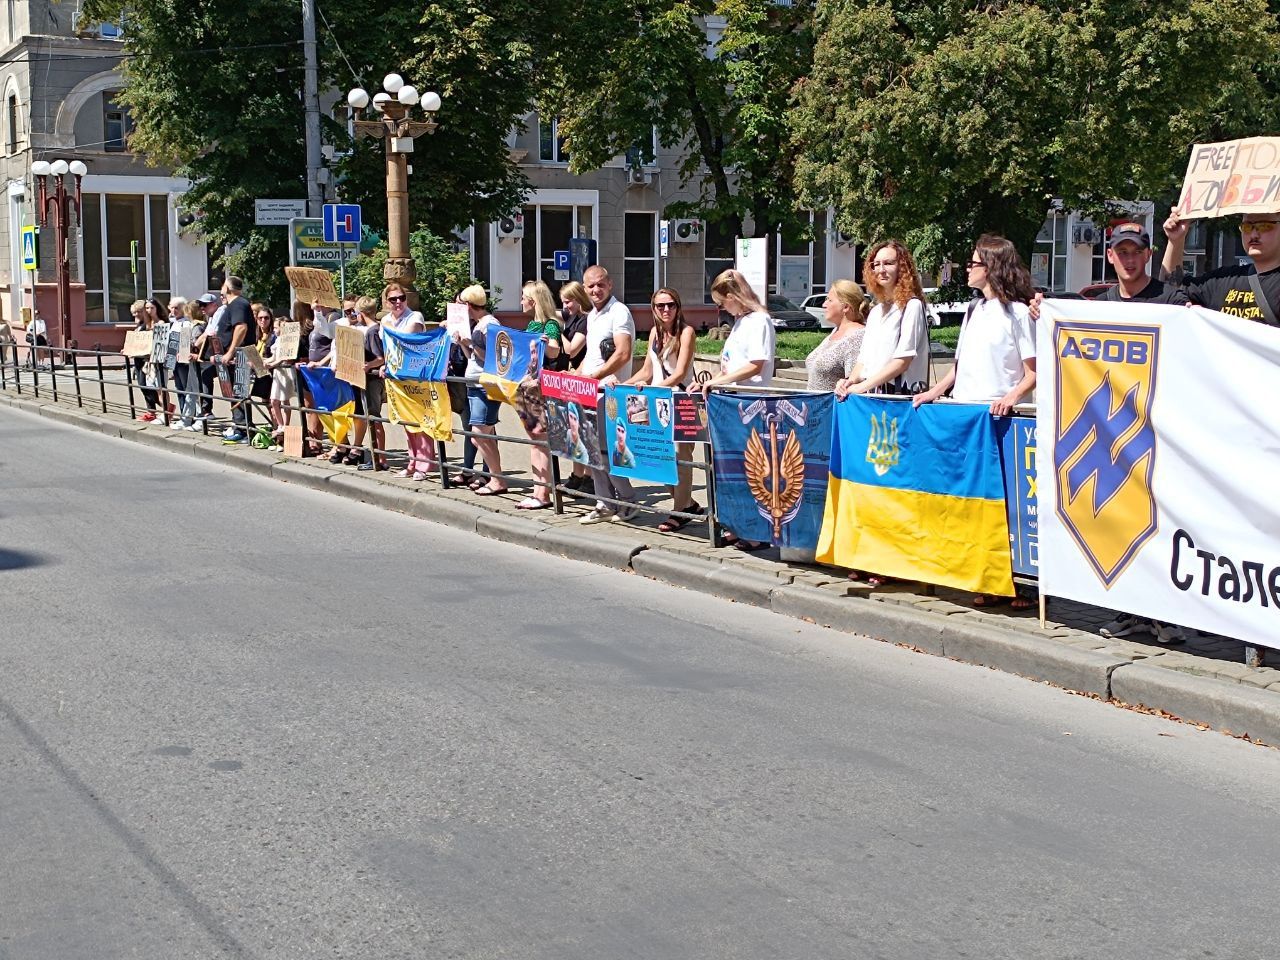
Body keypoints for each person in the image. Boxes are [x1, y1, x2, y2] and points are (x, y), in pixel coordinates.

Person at [915, 233, 1036, 608]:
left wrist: (1011, 396)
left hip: (1000, 418)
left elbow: (1034, 370)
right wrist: (935, 392)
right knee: (974, 502)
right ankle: (985, 575)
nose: (968, 269)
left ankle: (1021, 583)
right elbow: (959, 367)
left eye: (974, 263)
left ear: (993, 266)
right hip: (967, 415)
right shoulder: (972, 311)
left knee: (1008, 502)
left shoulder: (1017, 314)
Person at [692, 269, 777, 549]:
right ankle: (739, 524)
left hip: (750, 402)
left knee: (751, 468)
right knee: (734, 469)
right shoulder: (742, 322)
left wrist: (719, 380)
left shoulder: (759, 321)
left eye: (722, 302)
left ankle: (756, 530)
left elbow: (756, 364)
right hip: (732, 401)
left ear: (734, 297)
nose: (721, 308)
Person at [623, 287, 702, 532]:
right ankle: (687, 502)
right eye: (660, 306)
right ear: (653, 309)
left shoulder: (686, 333)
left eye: (671, 305)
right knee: (657, 457)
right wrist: (622, 385)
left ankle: (680, 512)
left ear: (678, 307)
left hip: (680, 402)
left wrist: (653, 390)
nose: (666, 309)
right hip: (657, 402)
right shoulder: (655, 335)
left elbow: (679, 372)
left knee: (681, 457)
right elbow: (647, 372)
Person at [576, 266, 638, 524]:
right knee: (591, 449)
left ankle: (628, 500)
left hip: (610, 394)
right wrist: (576, 375)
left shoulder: (619, 312)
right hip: (590, 391)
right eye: (590, 286)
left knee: (609, 451)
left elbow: (622, 353)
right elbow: (590, 356)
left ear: (610, 284)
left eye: (600, 284)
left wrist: (596, 376)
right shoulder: (592, 316)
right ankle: (604, 502)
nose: (595, 290)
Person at [835, 240, 929, 399]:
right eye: (876, 264)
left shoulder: (912, 306)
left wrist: (861, 387)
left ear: (902, 267)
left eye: (888, 263)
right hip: (873, 395)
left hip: (898, 397)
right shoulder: (876, 311)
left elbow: (902, 361)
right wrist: (848, 383)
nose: (881, 269)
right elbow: (864, 360)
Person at [1162, 207, 1280, 323]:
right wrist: (1176, 241)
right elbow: (1170, 293)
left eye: (1264, 226)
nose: (1254, 234)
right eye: (1247, 226)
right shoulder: (1222, 280)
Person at [512, 280, 562, 509]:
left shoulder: (549, 325)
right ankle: (538, 490)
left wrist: (546, 344)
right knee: (535, 440)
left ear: (534, 301)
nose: (521, 301)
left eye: (524, 297)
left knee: (540, 440)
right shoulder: (531, 325)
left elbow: (554, 350)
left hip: (540, 389)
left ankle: (542, 493)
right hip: (526, 387)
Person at [383, 283, 440, 481]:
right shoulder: (386, 320)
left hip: (417, 374)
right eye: (393, 299)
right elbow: (388, 349)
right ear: (387, 301)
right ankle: (412, 461)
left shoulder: (414, 316)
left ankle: (425, 465)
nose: (398, 302)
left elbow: (405, 338)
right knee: (407, 420)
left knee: (421, 420)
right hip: (398, 376)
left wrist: (388, 328)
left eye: (401, 298)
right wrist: (385, 365)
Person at [453, 283, 507, 494]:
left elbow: (493, 359)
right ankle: (493, 477)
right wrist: (464, 344)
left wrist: (471, 343)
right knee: (481, 433)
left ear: (469, 304)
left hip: (485, 386)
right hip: (475, 384)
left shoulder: (489, 324)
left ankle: (496, 478)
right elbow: (473, 357)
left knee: (479, 433)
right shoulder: (478, 324)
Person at [557, 281, 593, 491]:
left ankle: (588, 476)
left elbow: (571, 349)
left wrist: (554, 331)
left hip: (584, 379)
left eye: (568, 301)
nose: (565, 306)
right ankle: (577, 475)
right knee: (574, 430)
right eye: (563, 302)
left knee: (584, 430)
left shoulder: (586, 322)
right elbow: (553, 312)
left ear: (579, 299)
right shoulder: (572, 318)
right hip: (573, 378)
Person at [806, 279, 868, 392]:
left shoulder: (857, 337)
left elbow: (853, 384)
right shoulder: (835, 331)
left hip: (835, 407)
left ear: (846, 307)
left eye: (829, 300)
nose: (824, 305)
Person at [215, 276, 255, 443]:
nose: (221, 290)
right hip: (236, 357)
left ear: (228, 288)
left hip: (240, 357)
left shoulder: (238, 303)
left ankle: (244, 430)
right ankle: (240, 427)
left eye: (223, 286)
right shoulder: (234, 304)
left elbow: (241, 327)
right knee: (234, 393)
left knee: (239, 393)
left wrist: (230, 352)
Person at [357, 296, 388, 471]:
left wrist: (368, 365)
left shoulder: (372, 332)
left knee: (374, 417)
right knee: (372, 417)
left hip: (373, 380)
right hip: (372, 379)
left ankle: (380, 458)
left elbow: (380, 357)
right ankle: (378, 456)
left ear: (361, 314)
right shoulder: (375, 329)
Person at [127, 299, 162, 422]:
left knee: (148, 386)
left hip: (146, 360)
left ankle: (162, 409)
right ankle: (153, 411)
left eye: (138, 312)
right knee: (144, 386)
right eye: (134, 312)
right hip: (138, 359)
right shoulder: (140, 325)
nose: (135, 315)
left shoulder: (149, 325)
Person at [169, 299, 201, 432]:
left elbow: (186, 342)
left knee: (186, 388)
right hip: (175, 359)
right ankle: (184, 414)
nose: (174, 311)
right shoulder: (173, 323)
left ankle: (188, 417)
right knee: (179, 388)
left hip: (183, 360)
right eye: (172, 308)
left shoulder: (187, 324)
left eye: (177, 308)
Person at [190, 293, 220, 420]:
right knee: (204, 377)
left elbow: (210, 335)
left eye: (204, 305)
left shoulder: (218, 315)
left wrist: (196, 347)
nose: (202, 307)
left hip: (221, 356)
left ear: (214, 305)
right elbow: (205, 335)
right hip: (213, 356)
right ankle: (205, 410)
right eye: (200, 305)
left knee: (207, 377)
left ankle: (207, 410)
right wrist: (195, 346)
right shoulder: (211, 319)